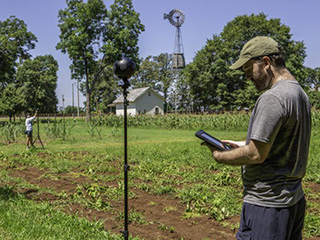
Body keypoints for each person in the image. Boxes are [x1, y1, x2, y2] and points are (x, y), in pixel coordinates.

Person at [202, 36, 311, 240]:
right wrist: (242, 144)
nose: (247, 77)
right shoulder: (300, 94)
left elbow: (255, 155)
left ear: (266, 63)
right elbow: (283, 141)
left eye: (248, 69)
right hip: (293, 200)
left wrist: (219, 156)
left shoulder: (272, 98)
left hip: (267, 205)